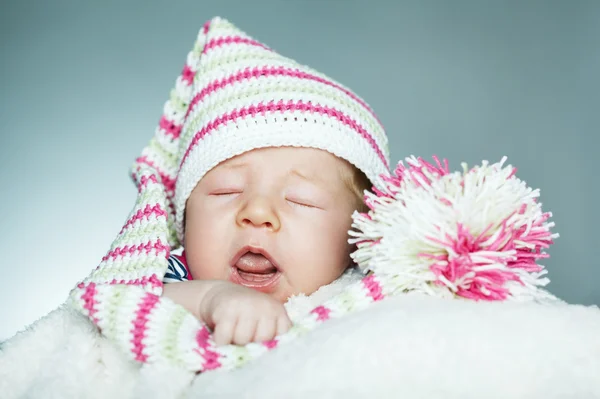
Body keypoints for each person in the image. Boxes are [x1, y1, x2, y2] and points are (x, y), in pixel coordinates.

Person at [70, 15, 390, 362]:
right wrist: (209, 298)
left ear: (357, 233)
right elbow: (119, 299)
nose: (256, 212)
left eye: (301, 200)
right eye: (227, 191)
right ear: (185, 215)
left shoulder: (373, 297)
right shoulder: (173, 276)